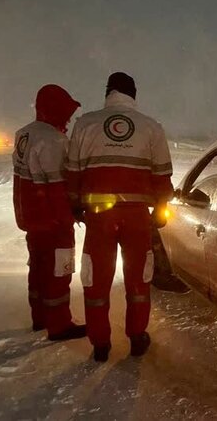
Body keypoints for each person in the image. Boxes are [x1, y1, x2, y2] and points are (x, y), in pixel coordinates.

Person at [66, 72, 173, 362]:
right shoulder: (152, 127)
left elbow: (72, 173)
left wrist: (76, 206)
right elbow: (162, 175)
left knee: (96, 279)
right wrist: (160, 210)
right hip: (137, 217)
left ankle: (100, 344)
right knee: (139, 278)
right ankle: (137, 336)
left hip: (98, 217)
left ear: (108, 93)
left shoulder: (84, 124)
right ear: (133, 95)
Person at [13, 84, 86, 341]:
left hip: (31, 219)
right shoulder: (53, 140)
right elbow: (57, 188)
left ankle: (40, 317)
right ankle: (59, 325)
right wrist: (71, 216)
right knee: (59, 271)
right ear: (55, 110)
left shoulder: (23, 134)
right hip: (53, 221)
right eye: (65, 112)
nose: (67, 119)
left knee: (38, 268)